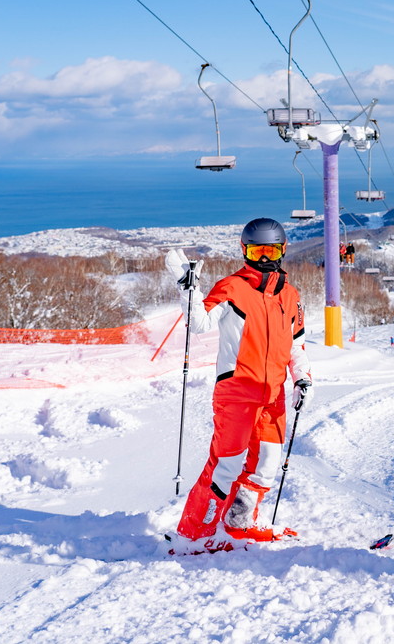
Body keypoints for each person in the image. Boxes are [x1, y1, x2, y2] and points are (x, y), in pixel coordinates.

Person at [165, 218, 311, 548]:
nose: (263, 258)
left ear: (282, 251)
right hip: (237, 391)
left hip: (272, 394)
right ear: (245, 251)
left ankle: (238, 524)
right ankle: (195, 534)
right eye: (257, 250)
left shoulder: (291, 297)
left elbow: (297, 345)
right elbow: (199, 324)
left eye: (270, 250)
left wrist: (302, 380)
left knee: (266, 465)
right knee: (226, 465)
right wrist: (188, 288)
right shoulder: (232, 287)